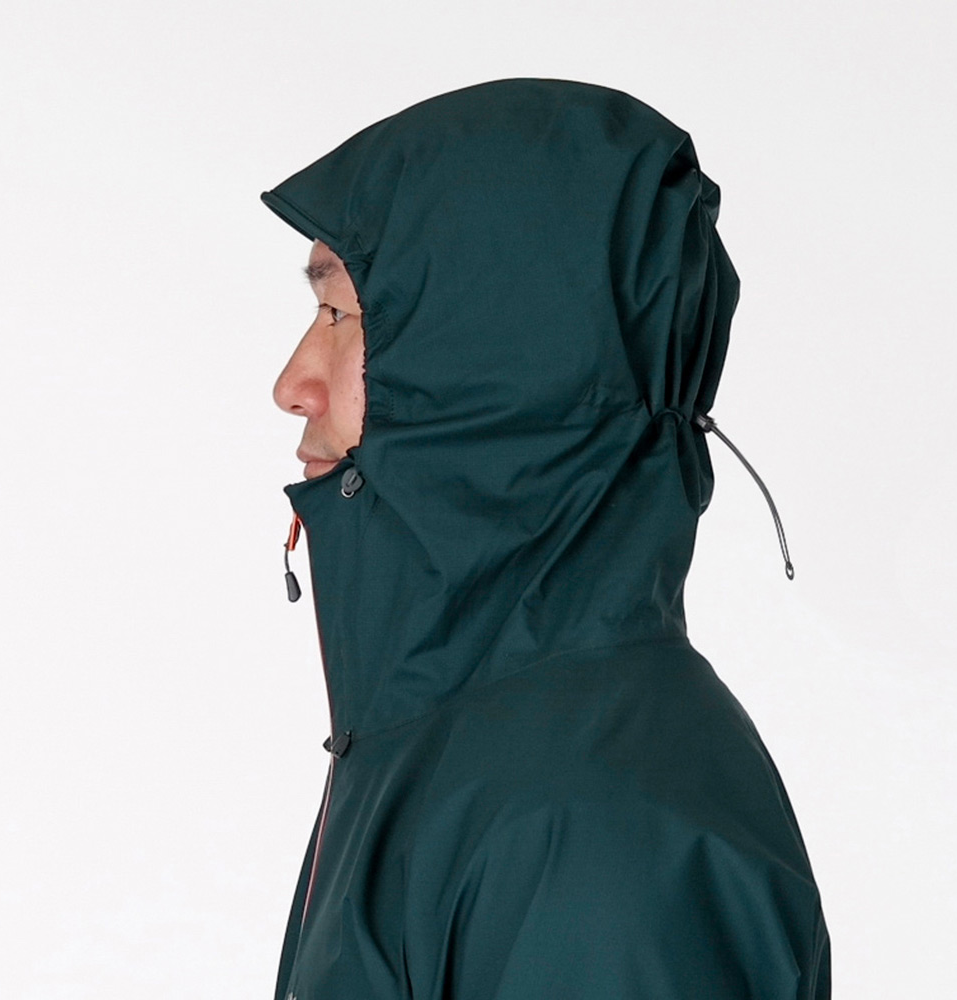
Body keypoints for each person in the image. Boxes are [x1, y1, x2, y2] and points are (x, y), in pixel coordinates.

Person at [261, 77, 831, 1000]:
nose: (294, 383)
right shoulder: (459, 751)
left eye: (341, 314)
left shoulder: (595, 832)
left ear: (497, 366)